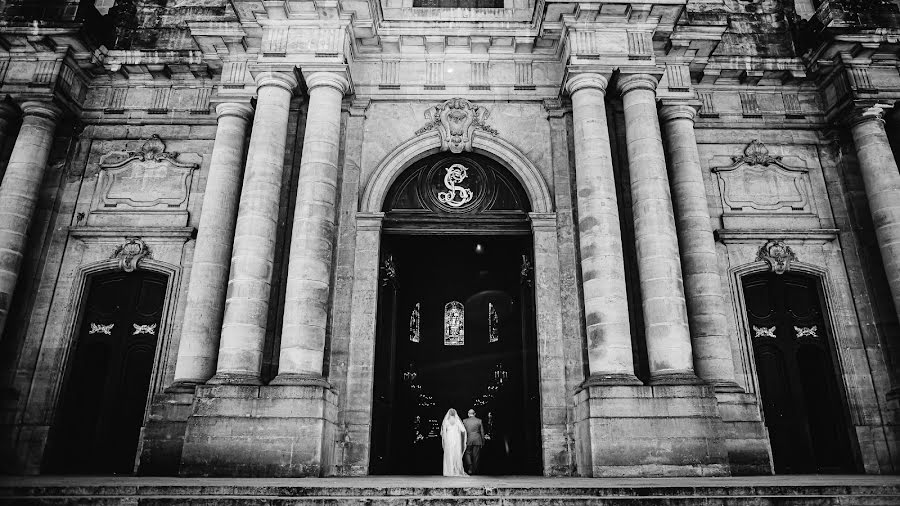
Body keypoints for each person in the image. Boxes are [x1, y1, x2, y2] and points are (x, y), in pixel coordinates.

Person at [440, 408, 468, 477]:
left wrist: (445, 439)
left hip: (449, 438)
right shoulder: (457, 420)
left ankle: (449, 471)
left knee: (449, 454)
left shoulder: (446, 421)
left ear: (448, 414)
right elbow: (463, 430)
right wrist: (457, 432)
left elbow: (443, 433)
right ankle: (456, 470)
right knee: (456, 454)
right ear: (455, 413)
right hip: (456, 439)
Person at [462, 408, 485, 474]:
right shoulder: (479, 421)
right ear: (475, 414)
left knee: (467, 453)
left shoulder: (465, 421)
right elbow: (482, 432)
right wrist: (483, 441)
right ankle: (474, 470)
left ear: (468, 414)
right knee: (476, 455)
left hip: (468, 439)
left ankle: (470, 466)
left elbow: (462, 432)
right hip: (477, 440)